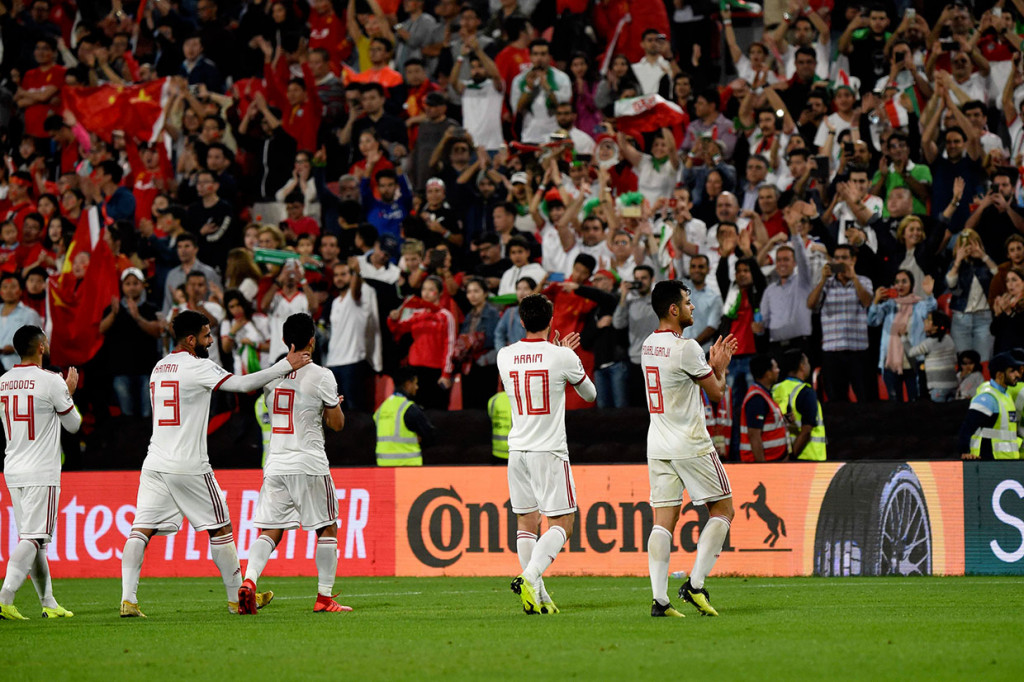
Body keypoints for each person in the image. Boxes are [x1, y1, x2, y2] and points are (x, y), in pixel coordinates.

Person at [119, 310, 312, 618]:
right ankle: (237, 600)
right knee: (221, 528)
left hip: (155, 461)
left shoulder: (159, 367)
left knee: (141, 530)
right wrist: (284, 366)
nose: (211, 340)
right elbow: (241, 384)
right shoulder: (197, 366)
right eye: (207, 335)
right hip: (189, 464)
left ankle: (128, 600)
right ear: (191, 339)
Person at [238, 313, 350, 615]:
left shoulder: (271, 376)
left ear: (287, 340)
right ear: (311, 340)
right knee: (328, 527)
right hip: (309, 463)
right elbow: (336, 424)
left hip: (275, 463)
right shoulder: (323, 375)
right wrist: (335, 404)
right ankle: (324, 598)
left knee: (270, 530)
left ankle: (249, 581)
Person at [641, 280, 737, 618]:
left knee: (662, 521)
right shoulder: (687, 348)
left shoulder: (648, 345)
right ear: (673, 309)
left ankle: (659, 600)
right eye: (687, 301)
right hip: (691, 443)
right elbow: (716, 393)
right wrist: (720, 367)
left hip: (658, 443)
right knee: (723, 509)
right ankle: (695, 585)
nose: (692, 307)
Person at [500, 294, 596, 615]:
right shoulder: (562, 357)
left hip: (517, 452)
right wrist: (567, 357)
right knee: (563, 523)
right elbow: (590, 394)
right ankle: (529, 577)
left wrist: (557, 355)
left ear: (522, 321)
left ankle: (538, 597)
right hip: (549, 451)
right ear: (552, 320)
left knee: (526, 523)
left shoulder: (504, 355)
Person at [0, 325, 81, 621]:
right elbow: (73, 424)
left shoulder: (3, 381)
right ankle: (4, 598)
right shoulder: (51, 381)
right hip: (41, 471)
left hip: (13, 468)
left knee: (34, 539)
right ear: (42, 347)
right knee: (34, 538)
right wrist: (68, 392)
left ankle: (48, 602)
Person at [867, 271, 936, 402]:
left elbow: (931, 309)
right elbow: (872, 321)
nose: (900, 285)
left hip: (914, 361)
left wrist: (929, 294)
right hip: (891, 362)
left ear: (911, 285)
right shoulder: (888, 305)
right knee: (894, 403)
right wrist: (875, 301)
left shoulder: (919, 305)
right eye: (897, 282)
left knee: (916, 401)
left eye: (904, 281)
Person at [324, 262, 382, 413]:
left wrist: (357, 273)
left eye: (344, 274)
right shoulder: (335, 302)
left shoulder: (357, 298)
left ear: (351, 277)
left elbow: (356, 291)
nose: (339, 278)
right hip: (333, 362)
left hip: (352, 362)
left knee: (354, 409)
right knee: (337, 410)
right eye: (336, 275)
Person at [959, 352, 1021, 460]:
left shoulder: (1005, 395)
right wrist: (964, 451)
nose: (1017, 375)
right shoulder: (988, 398)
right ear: (999, 375)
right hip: (990, 460)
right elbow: (968, 426)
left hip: (1006, 460)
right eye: (1012, 371)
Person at [771, 350, 826, 461]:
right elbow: (807, 430)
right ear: (802, 366)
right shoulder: (806, 391)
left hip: (779, 455)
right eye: (807, 362)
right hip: (808, 456)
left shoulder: (774, 389)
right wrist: (791, 458)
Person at [373, 367, 435, 466]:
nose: (417, 387)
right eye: (415, 383)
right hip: (408, 465)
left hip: (383, 465)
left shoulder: (381, 408)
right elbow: (430, 435)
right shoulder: (409, 408)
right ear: (408, 384)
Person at [739, 355, 788, 463]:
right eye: (775, 368)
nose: (778, 371)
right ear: (767, 373)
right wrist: (762, 467)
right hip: (765, 465)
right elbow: (754, 435)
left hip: (774, 462)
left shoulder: (764, 394)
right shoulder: (757, 399)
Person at [904, 311, 957, 403]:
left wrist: (903, 337)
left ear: (935, 326)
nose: (924, 321)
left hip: (938, 388)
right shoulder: (949, 339)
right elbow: (955, 359)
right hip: (953, 385)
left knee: (938, 414)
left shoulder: (929, 343)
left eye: (928, 320)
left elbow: (911, 352)